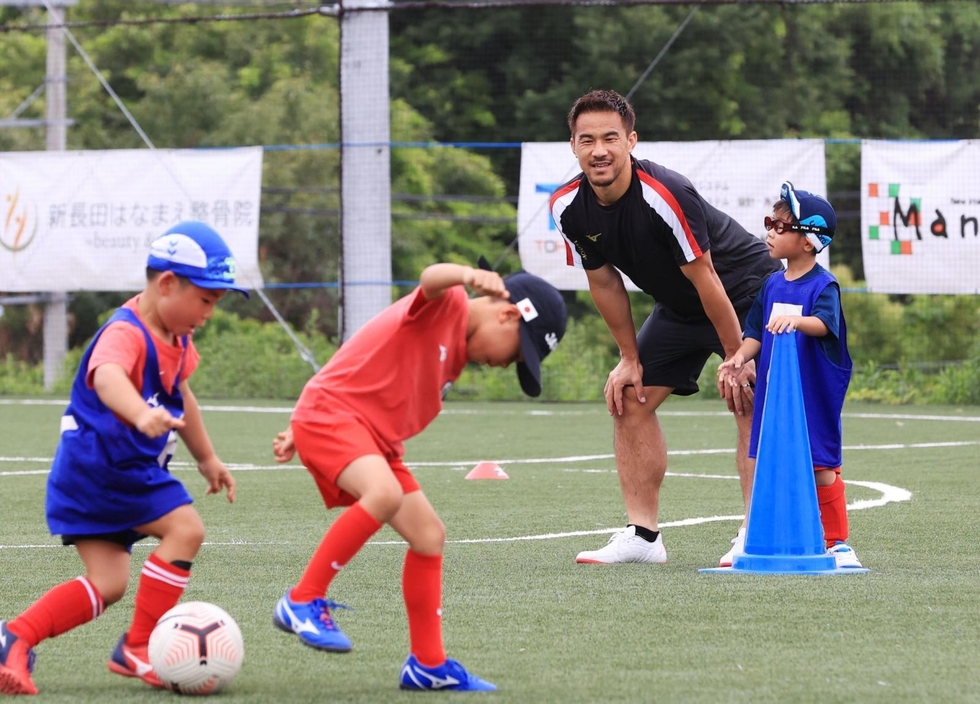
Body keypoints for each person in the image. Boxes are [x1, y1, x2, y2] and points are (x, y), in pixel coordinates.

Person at [270, 261, 566, 692]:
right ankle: (302, 599)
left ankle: (428, 664)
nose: (506, 366)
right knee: (384, 493)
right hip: (335, 418)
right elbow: (431, 279)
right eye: (517, 353)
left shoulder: (456, 353)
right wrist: (466, 275)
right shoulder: (447, 304)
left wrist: (300, 426)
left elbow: (361, 360)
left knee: (429, 534)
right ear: (507, 314)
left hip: (366, 434)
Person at [0, 221, 247, 696]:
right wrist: (139, 412)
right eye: (206, 300)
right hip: (106, 472)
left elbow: (184, 397)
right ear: (167, 284)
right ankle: (137, 647)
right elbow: (107, 376)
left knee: (108, 583)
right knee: (186, 529)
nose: (209, 314)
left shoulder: (178, 339)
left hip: (101, 476)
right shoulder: (126, 332)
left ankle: (16, 636)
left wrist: (207, 457)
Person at [551, 89, 784, 566]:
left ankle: (755, 533)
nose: (599, 150)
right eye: (587, 140)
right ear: (573, 145)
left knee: (748, 398)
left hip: (744, 293)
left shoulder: (664, 194)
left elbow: (708, 277)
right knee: (627, 397)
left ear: (631, 141)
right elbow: (604, 281)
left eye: (610, 138)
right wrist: (628, 358)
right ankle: (643, 537)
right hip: (679, 306)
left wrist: (737, 357)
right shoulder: (567, 206)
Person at [717, 182, 861, 569]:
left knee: (820, 469)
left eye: (780, 226)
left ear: (809, 240)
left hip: (812, 395)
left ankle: (837, 544)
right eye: (770, 223)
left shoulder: (823, 285)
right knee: (773, 463)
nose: (770, 232)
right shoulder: (771, 284)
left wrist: (797, 321)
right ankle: (772, 537)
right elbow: (755, 332)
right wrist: (738, 357)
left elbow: (825, 323)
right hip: (775, 395)